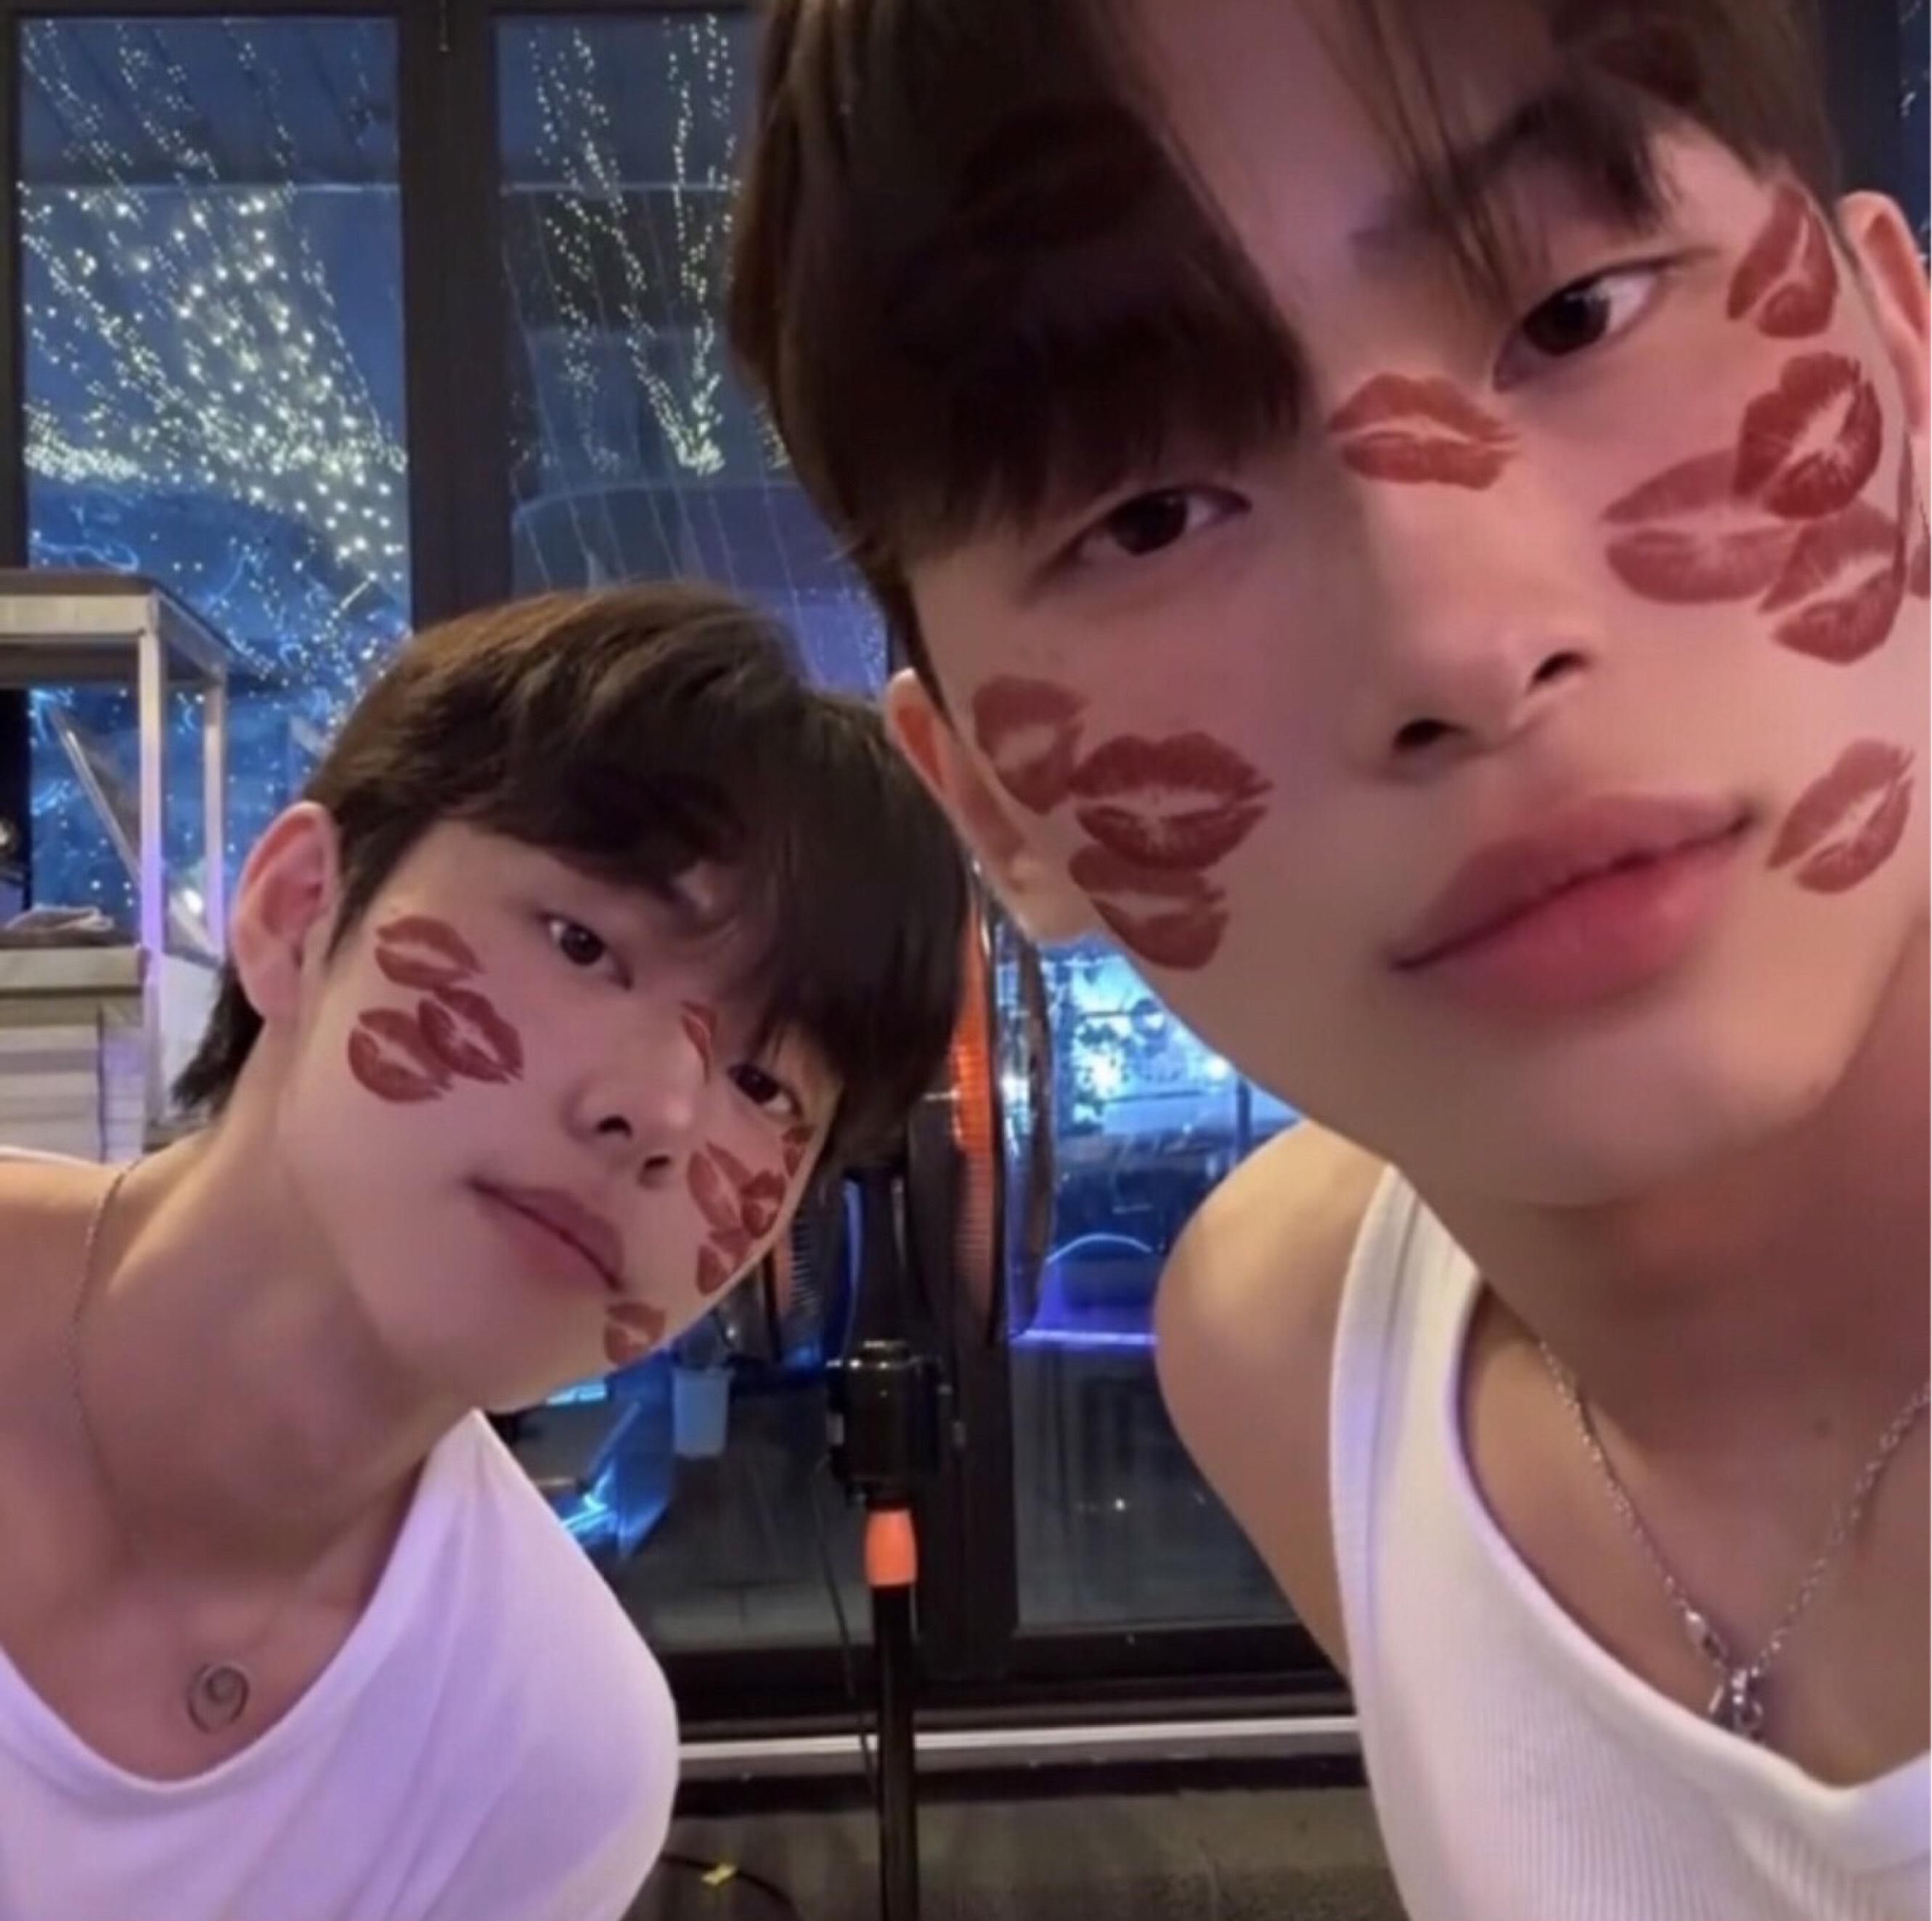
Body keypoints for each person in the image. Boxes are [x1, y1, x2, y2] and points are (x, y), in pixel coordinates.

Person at [727, 1, 1930, 1914]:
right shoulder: (1289, 1354)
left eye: (1576, 315)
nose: (1456, 642)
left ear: (1904, 366)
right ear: (993, 812)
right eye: (1145, 515)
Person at [0, 582, 968, 1921]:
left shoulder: (544, 1756)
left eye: (765, 1086)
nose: (661, 1112)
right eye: (583, 943)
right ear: (295, 911)